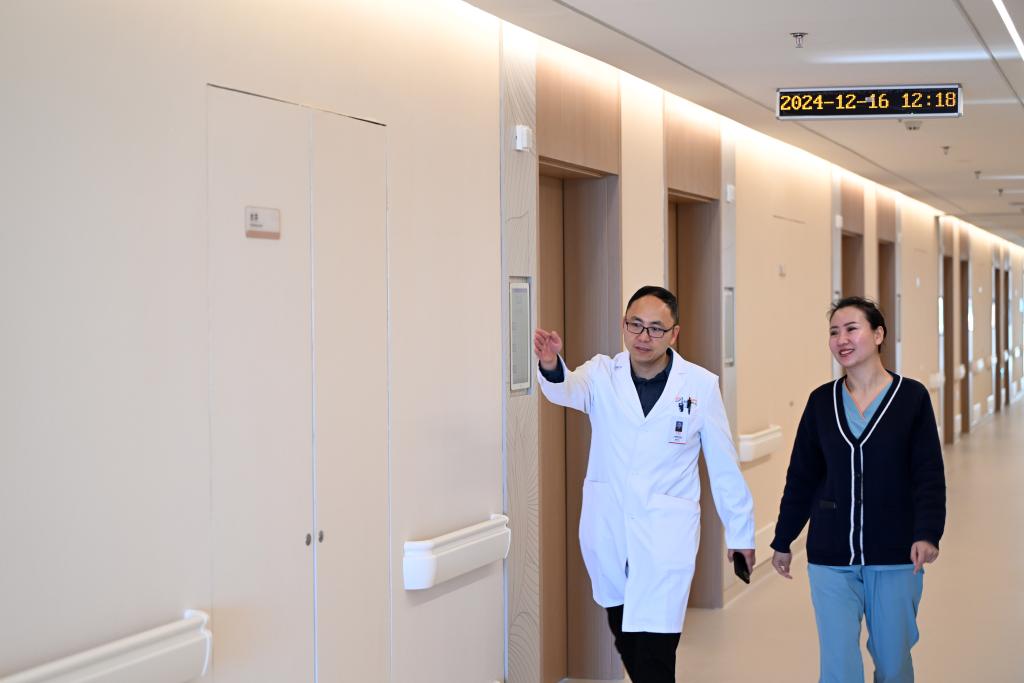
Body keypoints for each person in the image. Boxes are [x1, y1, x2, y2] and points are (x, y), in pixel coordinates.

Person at [534, 285, 755, 683]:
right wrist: (551, 364)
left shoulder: (699, 385)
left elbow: (723, 464)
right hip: (610, 528)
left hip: (665, 535)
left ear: (674, 334)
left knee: (655, 652)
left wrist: (740, 534)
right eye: (635, 324)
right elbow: (566, 390)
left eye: (656, 328)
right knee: (629, 644)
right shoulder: (602, 373)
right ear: (623, 325)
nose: (643, 336)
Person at [770, 296, 946, 683]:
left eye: (852, 329)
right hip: (831, 554)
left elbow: (928, 473)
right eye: (834, 332)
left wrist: (927, 533)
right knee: (838, 665)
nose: (841, 339)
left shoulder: (911, 398)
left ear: (878, 334)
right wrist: (783, 539)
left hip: (896, 553)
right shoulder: (821, 402)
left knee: (893, 662)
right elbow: (802, 476)